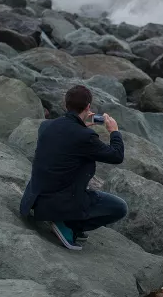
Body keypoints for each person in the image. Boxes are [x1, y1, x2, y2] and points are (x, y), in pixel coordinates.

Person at [19, 85, 127, 250]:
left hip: (36, 199)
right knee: (120, 207)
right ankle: (69, 225)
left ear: (65, 104)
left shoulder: (46, 126)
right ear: (88, 107)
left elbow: (67, 140)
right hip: (59, 203)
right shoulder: (85, 136)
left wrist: (82, 126)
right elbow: (116, 156)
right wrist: (114, 131)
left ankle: (61, 218)